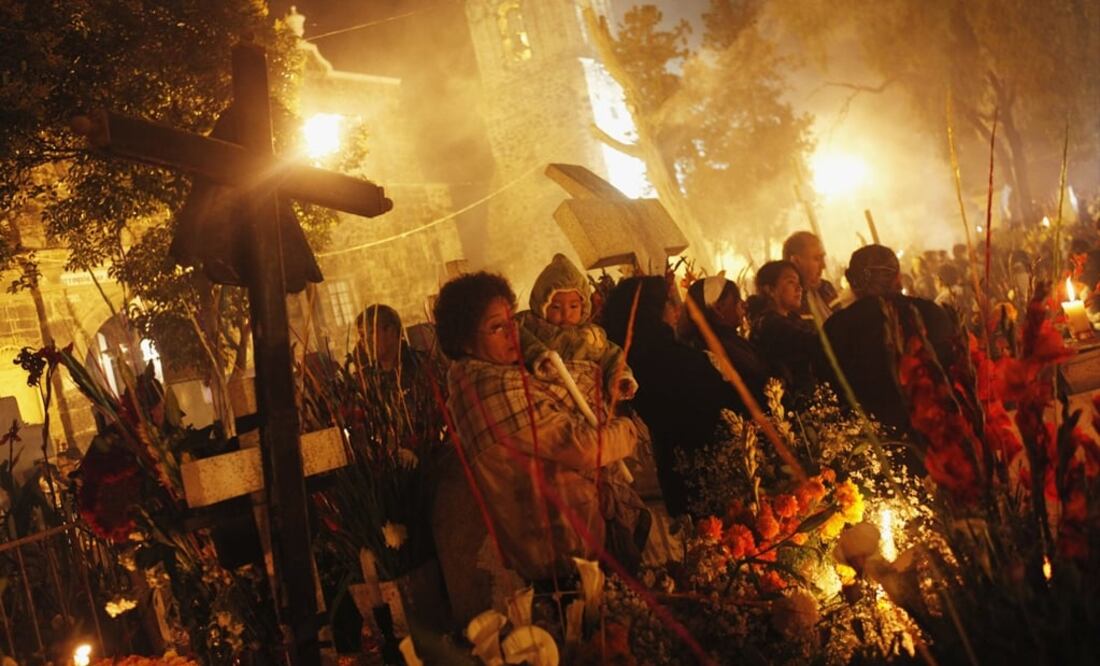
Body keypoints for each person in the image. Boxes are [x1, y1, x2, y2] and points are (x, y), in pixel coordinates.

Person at [435, 272, 641, 580]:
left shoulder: (496, 375)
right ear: (464, 340)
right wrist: (627, 429)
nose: (512, 334)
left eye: (511, 322)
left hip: (575, 536)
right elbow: (584, 447)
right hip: (564, 550)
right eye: (497, 327)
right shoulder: (489, 390)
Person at [601, 276, 746, 518]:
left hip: (676, 483)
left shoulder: (626, 364)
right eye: (669, 302)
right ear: (652, 311)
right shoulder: (679, 361)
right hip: (712, 478)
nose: (677, 309)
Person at [824, 244, 957, 434]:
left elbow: (833, 389)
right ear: (897, 277)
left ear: (853, 282)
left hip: (873, 438)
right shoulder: (928, 312)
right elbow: (953, 372)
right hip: (937, 432)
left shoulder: (836, 327)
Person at [517, 253, 637, 400]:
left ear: (584, 306)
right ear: (541, 306)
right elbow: (515, 333)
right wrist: (538, 354)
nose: (566, 314)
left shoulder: (593, 333)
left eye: (573, 306)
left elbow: (612, 356)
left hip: (588, 393)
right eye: (556, 307)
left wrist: (619, 378)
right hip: (548, 389)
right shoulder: (530, 322)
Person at [680, 276, 771, 405]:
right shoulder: (718, 348)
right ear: (718, 308)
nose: (744, 304)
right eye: (737, 299)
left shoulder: (731, 340)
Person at [747, 261, 822, 402]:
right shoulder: (769, 324)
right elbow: (811, 343)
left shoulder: (791, 318)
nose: (799, 288)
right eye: (791, 282)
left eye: (799, 283)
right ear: (770, 290)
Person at [783, 231, 839, 318]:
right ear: (796, 262)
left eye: (822, 258)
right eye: (817, 259)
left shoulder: (826, 288)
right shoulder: (790, 305)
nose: (823, 266)